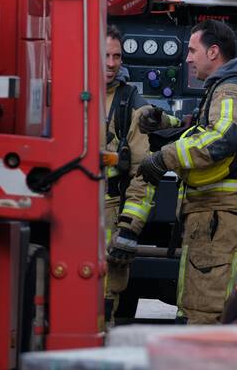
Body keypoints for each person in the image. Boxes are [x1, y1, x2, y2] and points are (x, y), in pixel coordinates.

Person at [135, 20, 237, 324]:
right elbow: (201, 127)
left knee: (207, 314)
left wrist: (163, 158)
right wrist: (164, 121)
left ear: (213, 52)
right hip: (220, 219)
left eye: (193, 51)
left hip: (222, 220)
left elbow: (223, 137)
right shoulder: (227, 89)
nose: (188, 58)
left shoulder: (231, 90)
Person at [102, 25, 155, 323]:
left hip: (109, 210)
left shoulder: (128, 104)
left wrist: (128, 228)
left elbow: (142, 173)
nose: (111, 63)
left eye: (117, 56)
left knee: (106, 296)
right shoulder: (61, 93)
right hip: (67, 211)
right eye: (104, 55)